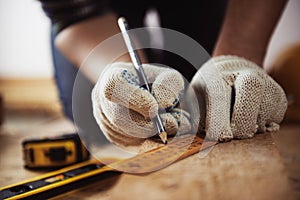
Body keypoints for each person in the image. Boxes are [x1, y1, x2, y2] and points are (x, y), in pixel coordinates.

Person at [38, 0, 288, 147]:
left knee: (213, 99)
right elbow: (72, 10)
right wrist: (120, 74)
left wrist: (235, 56)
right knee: (94, 112)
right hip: (95, 6)